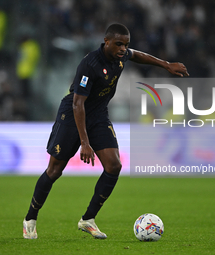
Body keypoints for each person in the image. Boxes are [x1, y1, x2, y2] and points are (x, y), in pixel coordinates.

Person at [23, 23, 189, 239]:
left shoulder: (121, 57)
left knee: (114, 165)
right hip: (73, 114)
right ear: (107, 41)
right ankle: (30, 218)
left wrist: (165, 65)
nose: (123, 48)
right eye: (119, 44)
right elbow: (77, 104)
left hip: (98, 115)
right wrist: (84, 142)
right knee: (54, 171)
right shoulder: (90, 64)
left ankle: (88, 219)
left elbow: (137, 55)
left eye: (126, 45)